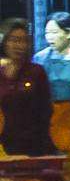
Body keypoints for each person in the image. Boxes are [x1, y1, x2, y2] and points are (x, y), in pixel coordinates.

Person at [0, 21, 54, 156]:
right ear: (5, 42)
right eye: (14, 40)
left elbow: (46, 112)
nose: (19, 46)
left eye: (24, 41)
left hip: (33, 147)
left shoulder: (37, 72)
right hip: (4, 146)